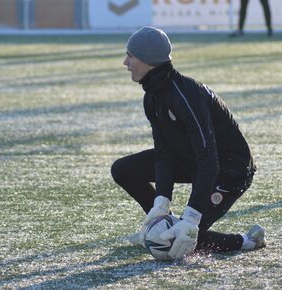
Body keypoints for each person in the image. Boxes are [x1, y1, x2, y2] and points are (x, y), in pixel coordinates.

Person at [111, 26, 266, 260]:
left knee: (182, 241)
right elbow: (164, 154)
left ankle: (247, 241)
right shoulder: (152, 97)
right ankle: (163, 226)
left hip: (229, 170)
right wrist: (160, 205)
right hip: (194, 159)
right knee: (123, 170)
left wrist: (192, 217)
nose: (125, 62)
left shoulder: (186, 95)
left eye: (130, 56)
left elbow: (209, 160)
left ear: (147, 60)